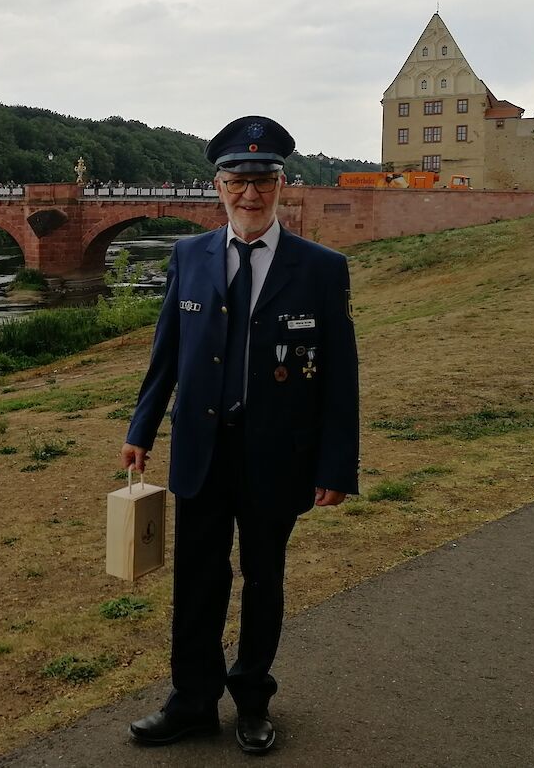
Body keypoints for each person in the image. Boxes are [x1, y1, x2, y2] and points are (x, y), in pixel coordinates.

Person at [121, 115, 360, 755]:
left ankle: (252, 697)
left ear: (282, 184)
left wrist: (337, 465)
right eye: (236, 180)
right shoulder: (188, 255)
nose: (249, 194)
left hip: (276, 455)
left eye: (262, 180)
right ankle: (192, 701)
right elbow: (166, 352)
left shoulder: (320, 268)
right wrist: (141, 426)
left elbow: (340, 375)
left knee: (263, 579)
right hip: (203, 450)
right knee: (197, 579)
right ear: (218, 185)